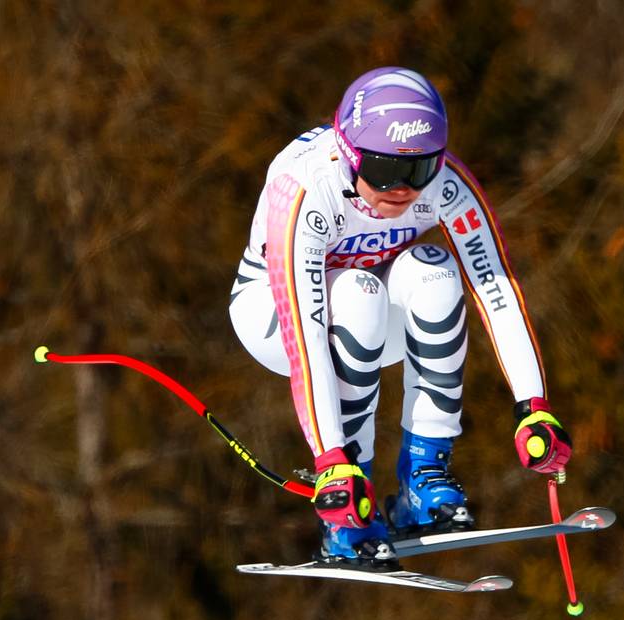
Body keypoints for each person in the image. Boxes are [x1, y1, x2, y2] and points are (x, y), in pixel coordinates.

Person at [228, 67, 571, 569]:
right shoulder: (305, 189)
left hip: (361, 315)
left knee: (436, 273)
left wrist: (532, 405)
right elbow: (305, 335)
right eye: (385, 171)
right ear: (349, 154)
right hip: (272, 316)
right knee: (359, 292)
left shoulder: (445, 185)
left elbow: (494, 284)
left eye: (420, 170)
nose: (403, 190)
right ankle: (350, 504)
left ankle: (424, 478)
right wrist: (331, 464)